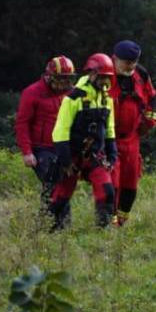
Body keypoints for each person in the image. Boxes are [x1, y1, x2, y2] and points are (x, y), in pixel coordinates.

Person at [47, 53, 119, 230]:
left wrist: (112, 152)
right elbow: (60, 131)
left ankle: (103, 231)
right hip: (71, 156)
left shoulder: (106, 99)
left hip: (95, 155)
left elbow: (109, 128)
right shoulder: (73, 98)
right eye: (102, 77)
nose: (104, 82)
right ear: (92, 74)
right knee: (61, 196)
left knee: (107, 191)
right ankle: (48, 230)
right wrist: (65, 161)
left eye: (107, 78)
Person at [16, 55, 76, 212]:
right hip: (41, 148)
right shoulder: (32, 93)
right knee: (53, 182)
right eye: (60, 79)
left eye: (67, 79)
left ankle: (52, 225)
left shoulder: (71, 94)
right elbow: (22, 124)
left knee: (64, 185)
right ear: (49, 76)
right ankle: (54, 224)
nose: (64, 83)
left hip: (63, 147)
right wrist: (27, 152)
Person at [109, 40, 156, 227]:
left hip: (132, 138)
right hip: (109, 138)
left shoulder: (141, 74)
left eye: (133, 62)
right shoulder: (104, 73)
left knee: (131, 183)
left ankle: (121, 221)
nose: (130, 66)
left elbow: (152, 97)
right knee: (111, 182)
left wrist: (151, 118)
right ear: (115, 59)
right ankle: (108, 221)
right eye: (126, 62)